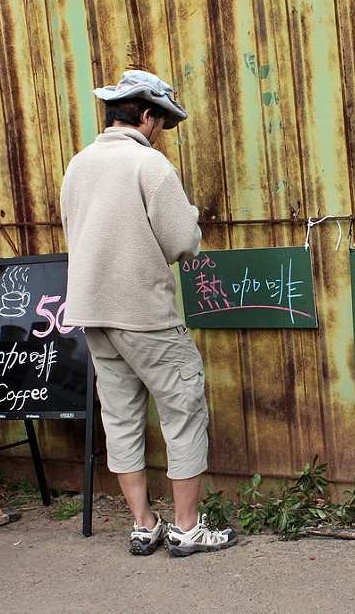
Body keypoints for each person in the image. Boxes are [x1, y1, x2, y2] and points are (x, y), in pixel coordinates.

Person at [59, 70, 237, 557]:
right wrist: (191, 216)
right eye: (160, 120)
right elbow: (182, 242)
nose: (160, 130)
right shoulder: (149, 165)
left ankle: (143, 524)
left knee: (120, 418)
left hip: (93, 312)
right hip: (144, 312)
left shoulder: (78, 165)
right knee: (183, 408)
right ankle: (186, 526)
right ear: (146, 115)